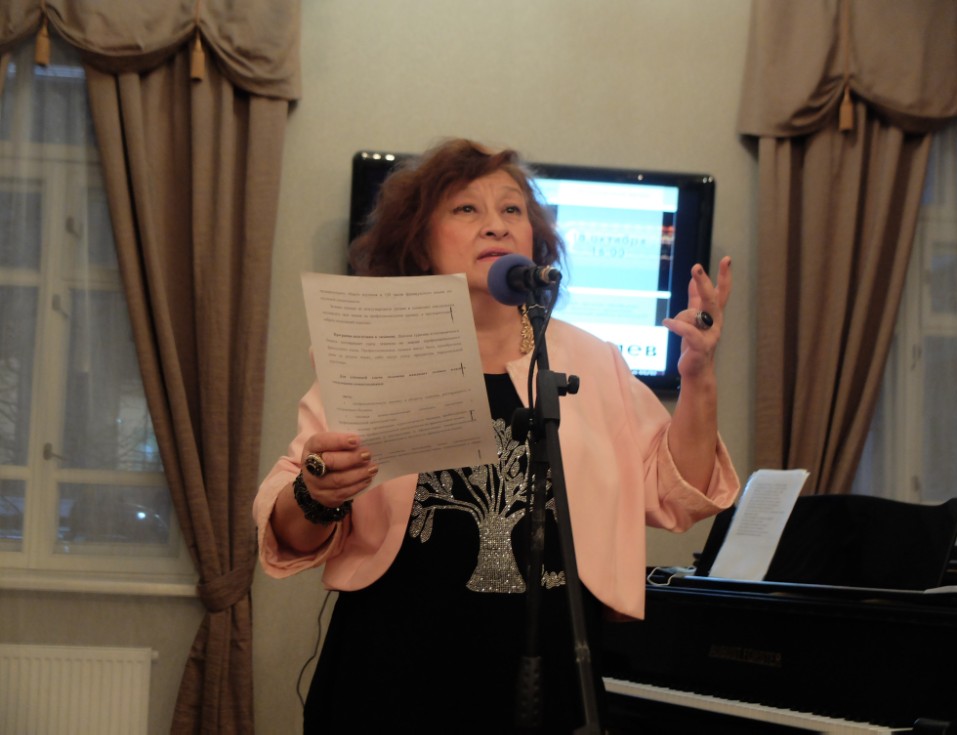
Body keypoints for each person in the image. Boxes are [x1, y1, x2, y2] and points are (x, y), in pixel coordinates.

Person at [253, 138, 740, 733]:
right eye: (466, 209)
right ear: (420, 241)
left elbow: (678, 492)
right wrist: (316, 492)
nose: (496, 225)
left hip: (549, 678)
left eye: (512, 209)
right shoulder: (377, 350)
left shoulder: (592, 359)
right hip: (391, 674)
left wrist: (698, 375)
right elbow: (289, 532)